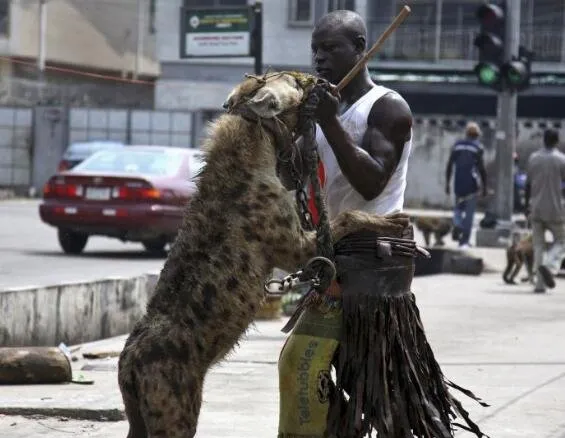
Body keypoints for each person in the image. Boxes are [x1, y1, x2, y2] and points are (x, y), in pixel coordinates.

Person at [276, 10, 487, 438]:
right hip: (333, 257)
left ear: (360, 49)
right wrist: (290, 132)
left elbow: (372, 183)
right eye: (315, 49)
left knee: (383, 391)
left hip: (376, 264)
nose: (319, 58)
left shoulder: (388, 107)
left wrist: (329, 122)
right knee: (300, 363)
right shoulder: (324, 110)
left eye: (331, 48)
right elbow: (291, 178)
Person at [525, 128, 565, 293]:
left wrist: (525, 206)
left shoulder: (533, 158)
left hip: (536, 207)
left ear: (543, 140)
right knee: (562, 241)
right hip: (555, 208)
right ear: (557, 141)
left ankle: (539, 284)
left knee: (539, 246)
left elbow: (527, 185)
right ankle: (550, 265)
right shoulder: (561, 159)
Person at [445, 122, 487, 248]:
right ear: (477, 135)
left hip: (458, 183)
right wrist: (485, 186)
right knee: (469, 214)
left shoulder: (457, 146)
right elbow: (481, 169)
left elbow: (449, 165)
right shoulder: (478, 148)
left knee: (458, 208)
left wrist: (447, 183)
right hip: (471, 185)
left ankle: (457, 223)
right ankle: (464, 241)